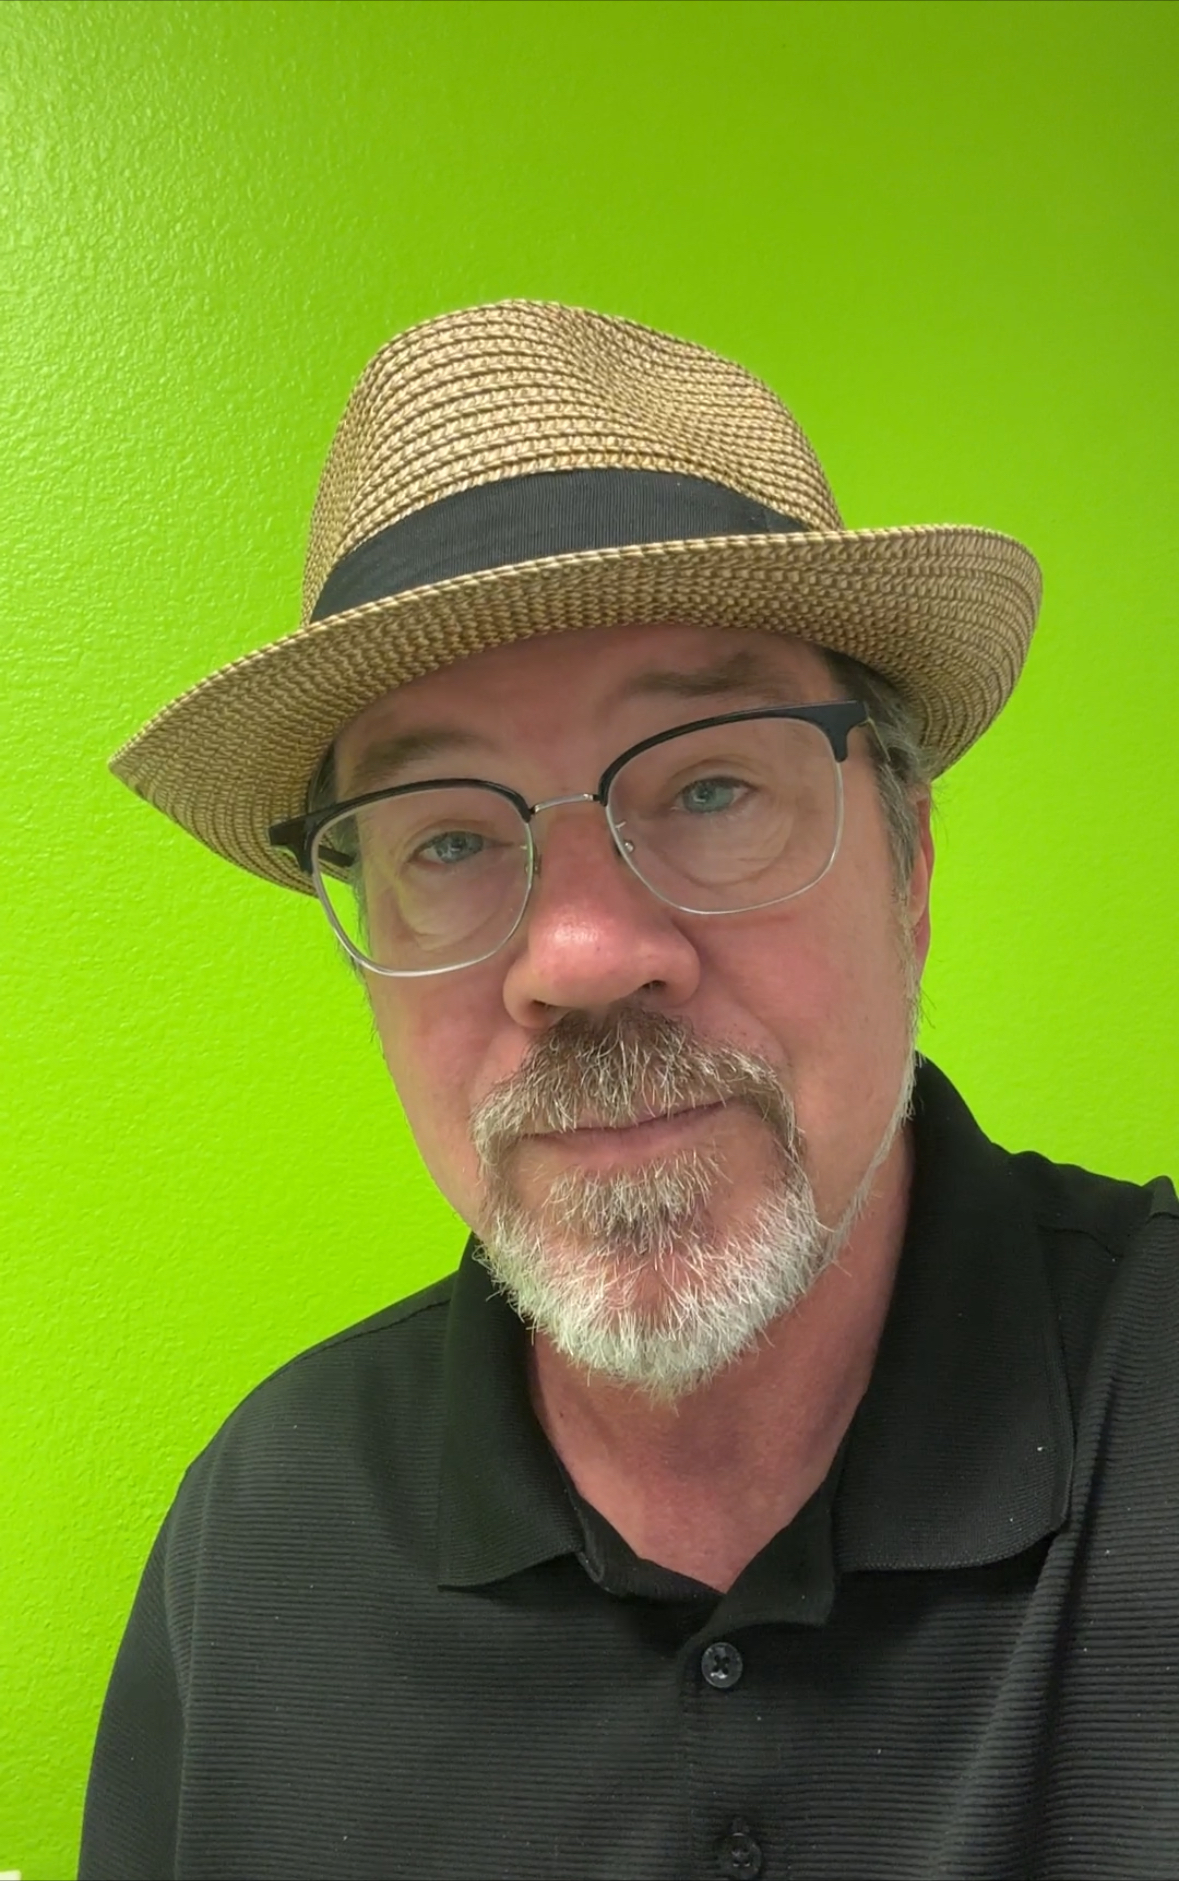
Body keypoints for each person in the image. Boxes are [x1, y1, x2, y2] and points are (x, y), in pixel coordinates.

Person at [80, 300, 1179, 1881]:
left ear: (911, 872)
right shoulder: (260, 1544)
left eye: (712, 781)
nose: (581, 956)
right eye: (448, 838)